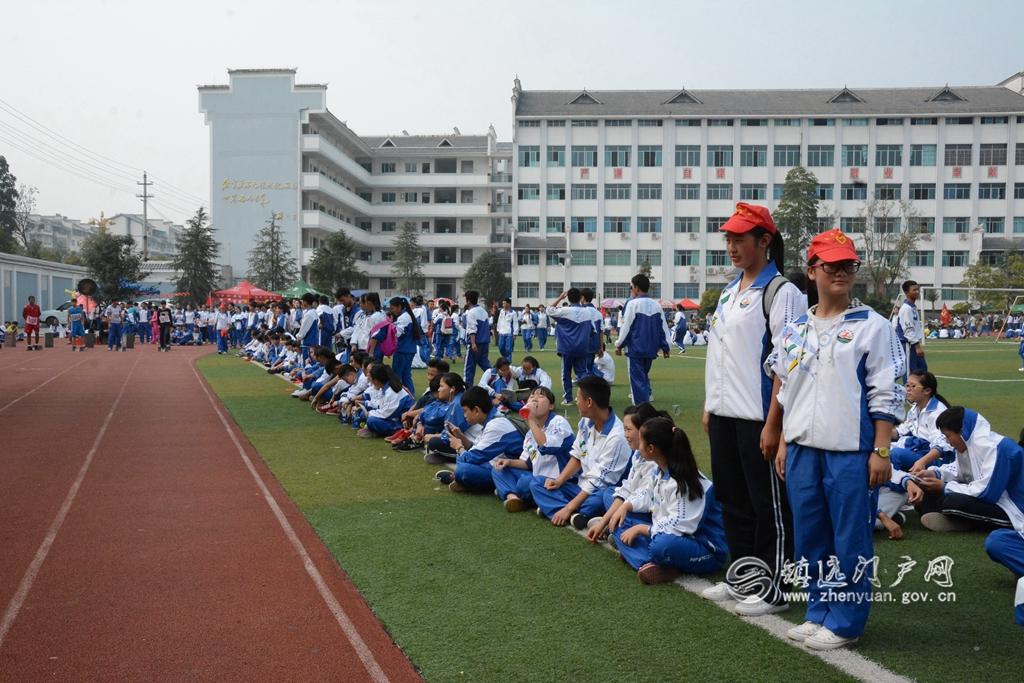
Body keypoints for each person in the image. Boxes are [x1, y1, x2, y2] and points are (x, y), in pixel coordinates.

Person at [773, 227, 905, 650]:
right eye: (831, 264)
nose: (841, 271)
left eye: (848, 265)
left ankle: (847, 621)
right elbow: (784, 386)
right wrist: (780, 440)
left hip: (850, 452)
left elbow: (886, 392)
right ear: (812, 270)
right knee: (811, 534)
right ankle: (819, 610)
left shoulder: (874, 327)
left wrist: (881, 450)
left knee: (849, 538)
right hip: (801, 449)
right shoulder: (796, 327)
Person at [700, 202, 805, 617]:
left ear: (765, 241)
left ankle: (778, 585)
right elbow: (720, 355)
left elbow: (787, 361)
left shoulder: (782, 293)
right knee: (733, 499)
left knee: (770, 506)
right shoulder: (730, 292)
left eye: (739, 238)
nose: (731, 246)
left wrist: (774, 424)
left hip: (759, 417)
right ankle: (743, 576)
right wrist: (711, 405)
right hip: (726, 415)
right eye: (728, 238)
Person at [613, 418, 729, 584]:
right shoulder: (659, 471)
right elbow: (648, 495)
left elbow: (681, 524)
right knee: (619, 523)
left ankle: (645, 558)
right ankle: (656, 564)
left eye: (641, 442)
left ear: (651, 449)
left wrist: (641, 529)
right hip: (672, 536)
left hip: (704, 549)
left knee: (660, 545)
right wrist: (626, 505)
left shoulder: (686, 480)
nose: (638, 447)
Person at [530, 375, 632, 529]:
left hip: (599, 491)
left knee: (597, 501)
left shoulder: (617, 437)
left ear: (589, 402)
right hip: (580, 486)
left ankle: (562, 509)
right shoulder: (585, 422)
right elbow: (577, 455)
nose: (576, 401)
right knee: (537, 483)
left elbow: (599, 481)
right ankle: (575, 516)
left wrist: (569, 506)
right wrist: (559, 481)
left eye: (578, 398)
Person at [909, 406, 1019, 533]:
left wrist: (944, 487)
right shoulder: (969, 443)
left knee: (953, 501)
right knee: (928, 494)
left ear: (962, 431)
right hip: (989, 499)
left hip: (1011, 507)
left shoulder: (996, 448)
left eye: (948, 436)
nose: (947, 441)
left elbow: (985, 492)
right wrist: (935, 474)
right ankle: (961, 519)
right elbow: (961, 471)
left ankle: (967, 522)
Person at [490, 386, 575, 511]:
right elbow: (527, 463)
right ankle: (514, 498)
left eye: (540, 397)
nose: (534, 399)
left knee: (525, 483)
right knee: (498, 469)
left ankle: (531, 498)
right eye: (532, 396)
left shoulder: (558, 422)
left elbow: (545, 444)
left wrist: (530, 419)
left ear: (551, 406)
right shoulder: (531, 433)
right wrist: (509, 462)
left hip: (555, 481)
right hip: (536, 478)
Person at [434, 386, 527, 493]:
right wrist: (460, 436)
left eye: (465, 411)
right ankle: (461, 479)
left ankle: (461, 479)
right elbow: (475, 448)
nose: (464, 415)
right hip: (500, 464)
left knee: (464, 469)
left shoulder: (496, 425)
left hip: (511, 471)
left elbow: (473, 457)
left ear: (477, 410)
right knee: (464, 461)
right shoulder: (492, 421)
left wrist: (459, 447)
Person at [614, 274, 671, 405]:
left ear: (636, 288)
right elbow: (663, 328)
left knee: (637, 381)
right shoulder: (656, 305)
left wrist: (619, 345)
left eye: (632, 287)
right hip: (651, 350)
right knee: (643, 377)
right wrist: (666, 347)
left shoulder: (633, 304)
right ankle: (645, 403)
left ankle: (641, 410)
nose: (632, 289)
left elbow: (626, 327)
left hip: (635, 349)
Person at [890, 371, 952, 472]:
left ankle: (903, 484)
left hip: (936, 460)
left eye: (913, 386)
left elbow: (942, 445)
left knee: (895, 454)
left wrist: (922, 462)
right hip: (917, 451)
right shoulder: (915, 408)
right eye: (907, 385)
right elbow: (900, 432)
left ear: (927, 391)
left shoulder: (937, 412)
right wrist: (878, 431)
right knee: (878, 449)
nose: (908, 390)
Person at [547, 288, 595, 406]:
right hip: (582, 349)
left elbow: (549, 310)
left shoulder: (564, 311)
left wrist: (560, 297)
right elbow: (593, 331)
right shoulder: (588, 312)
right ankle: (586, 398)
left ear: (568, 298)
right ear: (580, 298)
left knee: (566, 374)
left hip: (567, 348)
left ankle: (568, 398)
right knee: (582, 373)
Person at [894, 280, 926, 378]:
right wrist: (917, 346)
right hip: (908, 345)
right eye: (914, 290)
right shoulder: (906, 309)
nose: (917, 292)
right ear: (907, 293)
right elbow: (908, 330)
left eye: (918, 289)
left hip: (913, 344)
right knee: (910, 374)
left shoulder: (912, 307)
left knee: (922, 371)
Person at [463, 290, 492, 385]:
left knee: (469, 368)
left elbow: (472, 329)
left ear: (468, 301)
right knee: (485, 365)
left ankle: (468, 388)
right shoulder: (483, 311)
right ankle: (495, 379)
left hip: (475, 343)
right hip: (485, 343)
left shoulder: (471, 312)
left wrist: (473, 343)